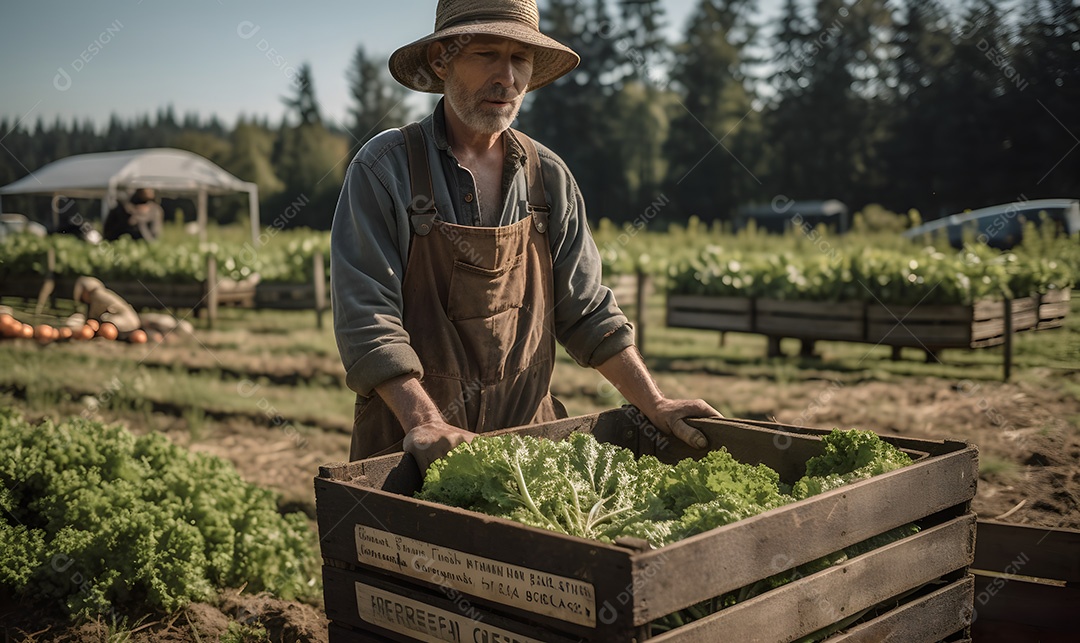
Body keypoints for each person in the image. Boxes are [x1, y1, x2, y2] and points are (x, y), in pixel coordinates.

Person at [331, 0, 721, 470]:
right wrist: (426, 422)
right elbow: (367, 320)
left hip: (528, 451)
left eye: (520, 59)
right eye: (486, 54)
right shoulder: (385, 168)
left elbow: (589, 311)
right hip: (408, 451)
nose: (507, 77)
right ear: (441, 59)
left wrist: (655, 403)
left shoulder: (548, 176)